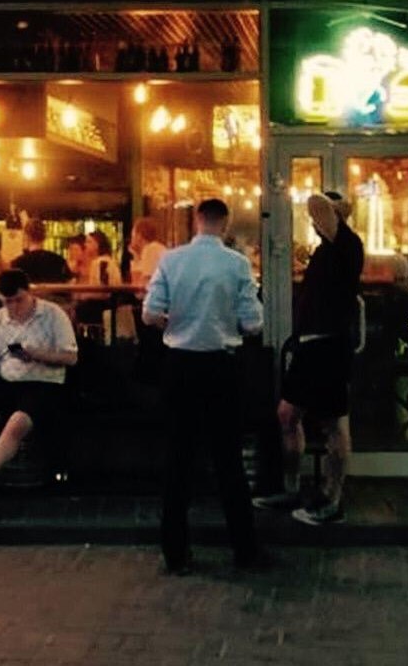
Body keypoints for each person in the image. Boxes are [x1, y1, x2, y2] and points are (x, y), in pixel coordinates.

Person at [143, 198, 265, 574]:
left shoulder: (171, 260)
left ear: (196, 220)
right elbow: (253, 323)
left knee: (178, 459)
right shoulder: (237, 264)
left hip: (179, 365)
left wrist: (175, 325)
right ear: (225, 224)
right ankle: (244, 550)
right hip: (221, 366)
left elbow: (150, 313)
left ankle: (176, 552)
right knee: (228, 460)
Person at [254, 190, 363, 526]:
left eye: (321, 218)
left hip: (330, 344)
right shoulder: (325, 249)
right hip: (309, 343)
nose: (314, 222)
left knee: (333, 423)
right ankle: (292, 488)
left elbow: (317, 205)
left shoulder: (346, 243)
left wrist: (320, 202)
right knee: (287, 414)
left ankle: (332, 499)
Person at [0, 269, 78, 518]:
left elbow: (71, 357)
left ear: (29, 293)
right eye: (7, 302)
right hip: (7, 382)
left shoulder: (53, 314)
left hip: (44, 383)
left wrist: (36, 354)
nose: (13, 307)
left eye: (18, 300)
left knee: (17, 423)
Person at [11, 218, 72, 284]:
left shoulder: (17, 264)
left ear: (27, 237)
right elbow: (70, 283)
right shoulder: (59, 261)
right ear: (44, 236)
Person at [128, 217, 167, 287]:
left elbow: (140, 286)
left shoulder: (151, 249)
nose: (131, 239)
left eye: (132, 235)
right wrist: (136, 256)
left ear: (139, 236)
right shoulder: (155, 248)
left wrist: (135, 257)